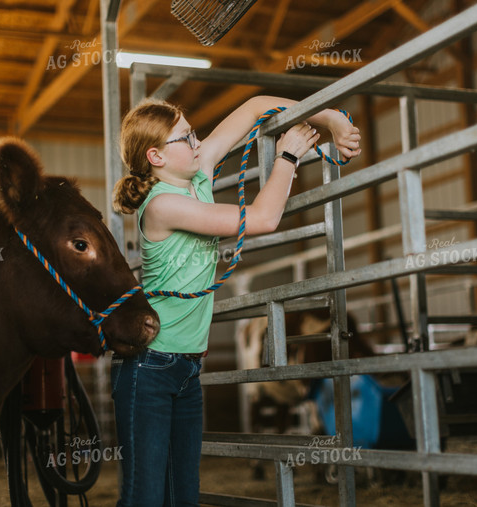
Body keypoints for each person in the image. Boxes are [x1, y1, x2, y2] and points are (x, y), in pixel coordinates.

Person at [110, 96, 361, 506]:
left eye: (193, 132)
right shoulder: (163, 205)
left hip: (186, 367)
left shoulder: (197, 172)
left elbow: (256, 106)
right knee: (145, 498)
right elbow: (263, 219)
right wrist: (287, 157)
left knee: (183, 497)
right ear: (156, 156)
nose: (196, 141)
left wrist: (330, 117)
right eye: (183, 137)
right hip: (149, 367)